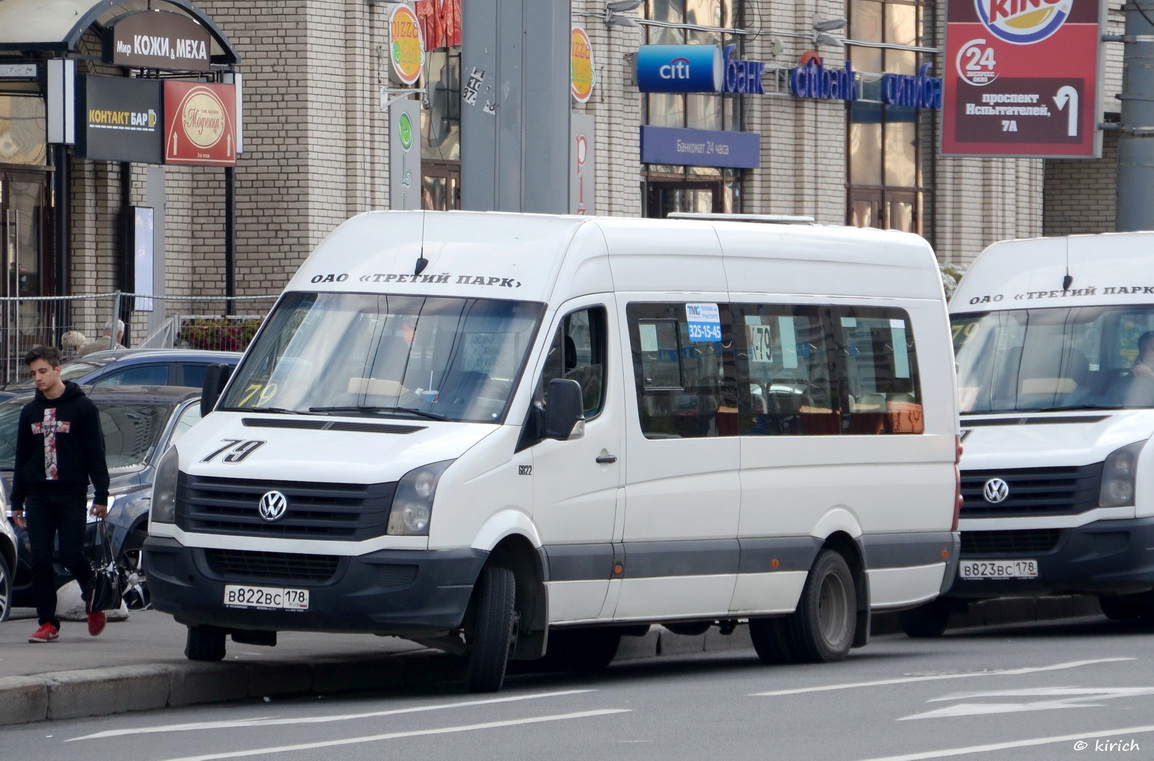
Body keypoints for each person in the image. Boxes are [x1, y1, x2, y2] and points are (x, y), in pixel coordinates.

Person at [9, 345, 110, 643]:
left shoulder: (82, 407)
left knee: (71, 554)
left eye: (42, 371)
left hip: (71, 494)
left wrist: (102, 494)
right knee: (39, 558)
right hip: (39, 496)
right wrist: (17, 501)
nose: (37, 378)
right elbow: (22, 459)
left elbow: (95, 452)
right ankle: (48, 623)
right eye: (33, 374)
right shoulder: (30, 412)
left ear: (57, 370)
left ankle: (93, 598)